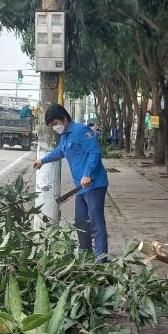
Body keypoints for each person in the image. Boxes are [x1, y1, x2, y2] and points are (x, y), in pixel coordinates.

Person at [33, 104, 109, 261]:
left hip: (94, 184)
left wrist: (87, 174)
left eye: (55, 123)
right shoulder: (65, 136)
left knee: (96, 223)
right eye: (52, 125)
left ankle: (101, 260)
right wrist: (43, 160)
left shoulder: (82, 131)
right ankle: (85, 256)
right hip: (80, 187)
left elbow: (94, 152)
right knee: (81, 223)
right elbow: (60, 151)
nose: (55, 127)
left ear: (64, 119)